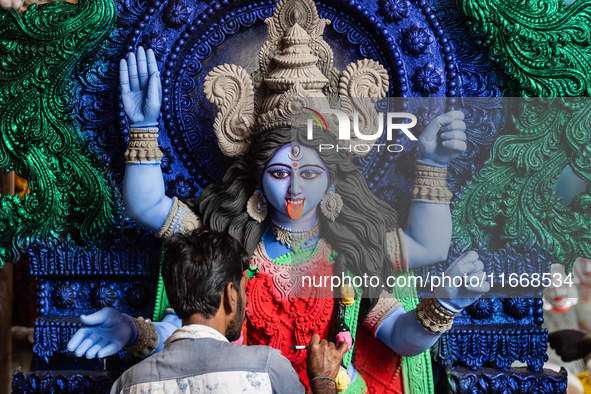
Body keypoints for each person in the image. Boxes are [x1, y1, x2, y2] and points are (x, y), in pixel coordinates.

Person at [68, 1, 490, 392]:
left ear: (332, 180)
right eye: (279, 172)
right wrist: (143, 126)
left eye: (309, 173)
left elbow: (401, 333)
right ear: (256, 177)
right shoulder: (225, 238)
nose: (294, 189)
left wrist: (443, 307)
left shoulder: (349, 248)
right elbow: (153, 226)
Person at [110, 227, 347, 394]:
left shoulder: (128, 384)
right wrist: (323, 381)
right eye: (244, 290)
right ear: (230, 295)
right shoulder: (266, 368)